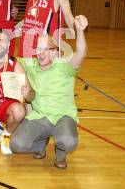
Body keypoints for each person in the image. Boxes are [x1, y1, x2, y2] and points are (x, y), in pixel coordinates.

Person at [10, 15, 88, 169]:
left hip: (62, 116)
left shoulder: (65, 66)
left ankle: (61, 150)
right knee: (16, 145)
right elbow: (7, 59)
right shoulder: (30, 64)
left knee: (69, 142)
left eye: (46, 49)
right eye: (38, 48)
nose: (40, 53)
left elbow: (81, 52)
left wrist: (80, 31)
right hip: (40, 117)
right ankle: (40, 144)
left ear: (55, 52)